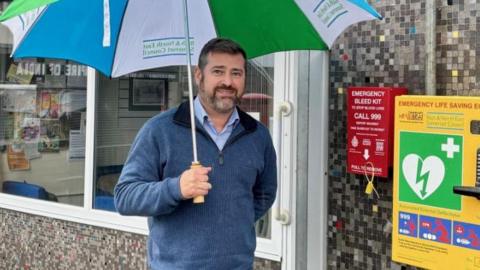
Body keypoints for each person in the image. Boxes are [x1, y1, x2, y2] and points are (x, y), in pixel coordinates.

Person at [114, 38, 277, 269]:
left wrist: (235, 222)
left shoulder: (258, 135)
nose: (228, 82)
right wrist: (176, 188)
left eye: (236, 73)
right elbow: (125, 197)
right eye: (218, 71)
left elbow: (265, 194)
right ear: (198, 75)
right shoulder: (160, 130)